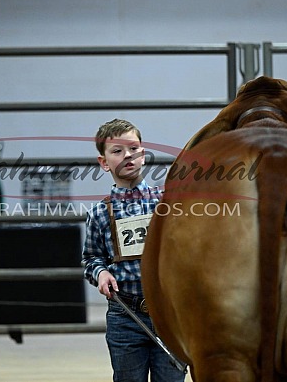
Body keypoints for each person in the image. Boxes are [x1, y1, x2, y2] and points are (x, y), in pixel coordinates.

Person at [82, 118, 186, 382]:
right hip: (125, 316)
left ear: (143, 153)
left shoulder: (169, 204)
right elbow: (92, 257)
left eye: (133, 148)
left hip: (170, 313)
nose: (127, 155)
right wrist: (101, 273)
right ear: (104, 163)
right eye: (117, 151)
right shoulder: (99, 213)